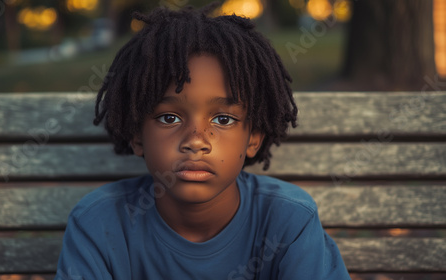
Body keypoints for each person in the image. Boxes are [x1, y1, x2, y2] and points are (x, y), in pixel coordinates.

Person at [55, 3, 350, 279]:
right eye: (169, 118)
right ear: (137, 135)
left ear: (254, 137)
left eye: (223, 119)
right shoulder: (99, 224)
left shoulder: (289, 221)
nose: (196, 141)